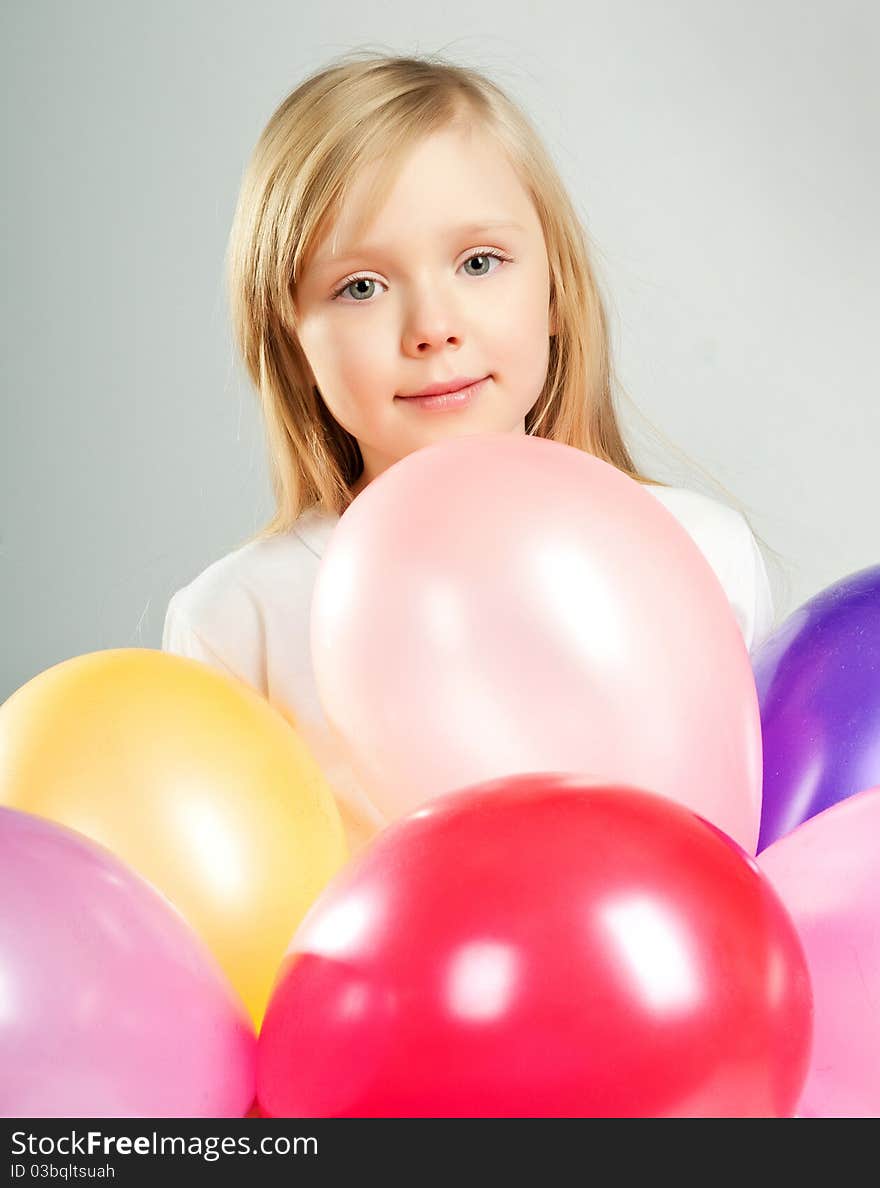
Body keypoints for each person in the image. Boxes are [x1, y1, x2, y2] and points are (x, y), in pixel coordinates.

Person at [162, 51, 775, 853]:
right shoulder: (238, 624)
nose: (432, 327)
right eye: (360, 287)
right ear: (290, 339)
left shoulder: (701, 555)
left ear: (556, 291)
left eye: (478, 263)